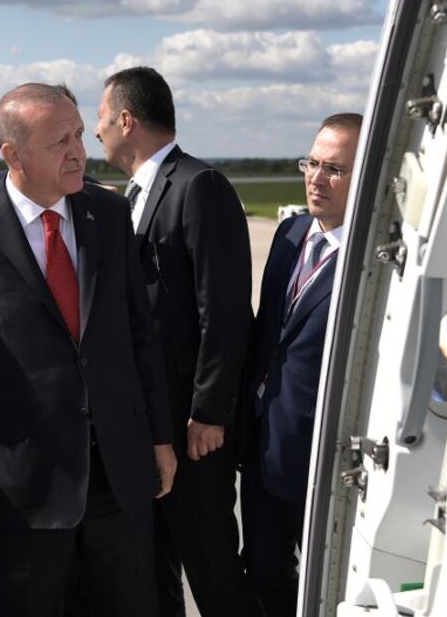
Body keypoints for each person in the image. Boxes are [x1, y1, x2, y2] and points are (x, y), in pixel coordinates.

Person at [0, 83, 177, 617]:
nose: (78, 151)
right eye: (59, 141)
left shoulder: (108, 216)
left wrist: (159, 436)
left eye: (80, 135)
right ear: (13, 155)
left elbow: (140, 336)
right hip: (25, 489)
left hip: (118, 472)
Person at [95, 66, 259, 617]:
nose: (96, 131)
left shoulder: (198, 185)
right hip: (150, 423)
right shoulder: (132, 196)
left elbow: (225, 311)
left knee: (211, 565)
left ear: (125, 120)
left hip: (193, 429)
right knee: (154, 569)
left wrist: (209, 412)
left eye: (100, 118)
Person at [239, 112, 361, 617]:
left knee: (325, 582)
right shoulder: (290, 233)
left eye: (335, 169)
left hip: (321, 457)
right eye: (312, 164)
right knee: (263, 570)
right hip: (264, 442)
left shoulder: (370, 259)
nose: (316, 178)